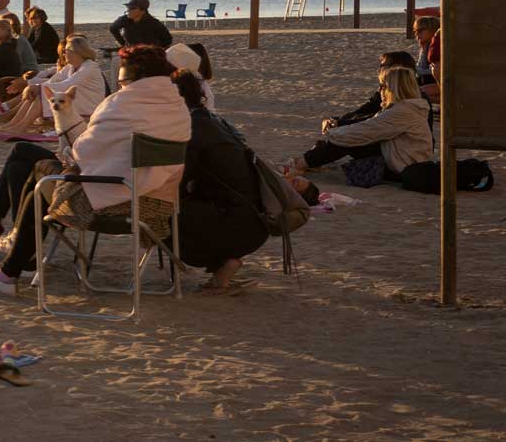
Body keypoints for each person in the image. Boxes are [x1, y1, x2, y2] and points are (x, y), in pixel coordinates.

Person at [0, 45, 191, 296]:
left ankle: (10, 261)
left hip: (110, 202)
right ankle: (13, 255)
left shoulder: (122, 104)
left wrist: (72, 152)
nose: (119, 86)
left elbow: (82, 152)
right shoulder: (177, 106)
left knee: (37, 175)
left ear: (134, 78)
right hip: (158, 202)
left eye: (121, 80)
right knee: (23, 154)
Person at [171, 71, 269, 294]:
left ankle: (223, 267)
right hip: (252, 216)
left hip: (237, 223)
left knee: (167, 215)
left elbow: (180, 176)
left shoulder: (193, 128)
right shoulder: (211, 120)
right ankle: (221, 271)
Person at [293, 64, 432, 183]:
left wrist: (333, 133)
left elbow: (367, 130)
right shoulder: (406, 107)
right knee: (347, 137)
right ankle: (308, 160)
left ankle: (301, 163)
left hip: (404, 164)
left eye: (383, 86)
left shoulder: (403, 110)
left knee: (348, 139)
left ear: (394, 88)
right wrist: (338, 128)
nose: (380, 91)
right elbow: (369, 124)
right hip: (399, 156)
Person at [0, 18, 38, 99]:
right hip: (9, 82)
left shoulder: (3, 48)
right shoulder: (10, 44)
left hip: (5, 86)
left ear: (5, 31)